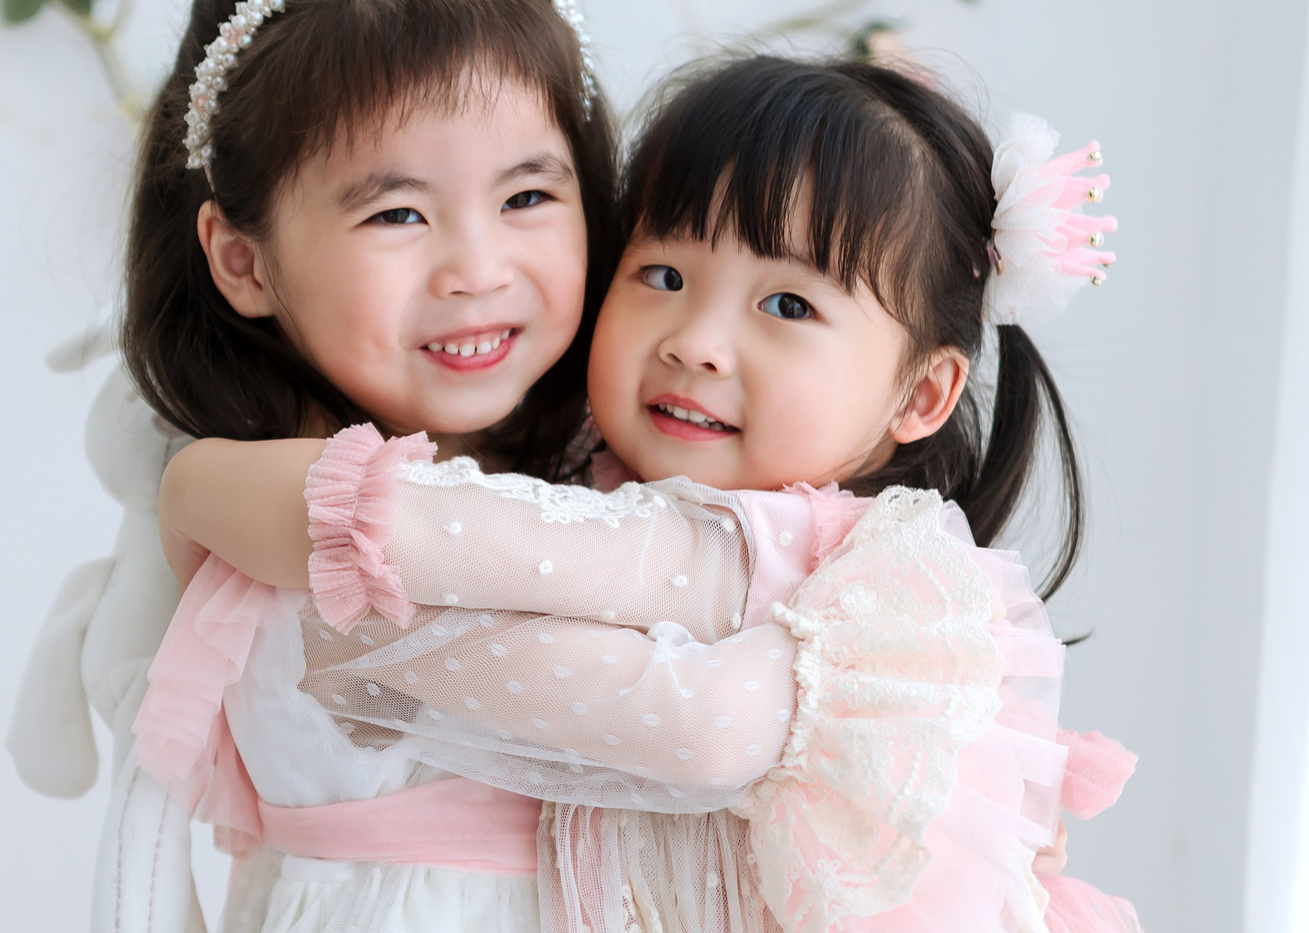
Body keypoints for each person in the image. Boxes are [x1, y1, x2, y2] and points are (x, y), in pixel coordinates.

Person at [150, 53, 1140, 933]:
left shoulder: (820, 565)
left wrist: (201, 489)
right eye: (662, 274)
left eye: (787, 304)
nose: (694, 342)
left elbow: (694, 720)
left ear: (919, 395)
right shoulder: (582, 473)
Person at [88, 1, 619, 930]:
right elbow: (146, 823)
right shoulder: (241, 490)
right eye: (397, 212)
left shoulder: (620, 456)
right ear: (244, 261)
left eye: (525, 198)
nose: (478, 268)